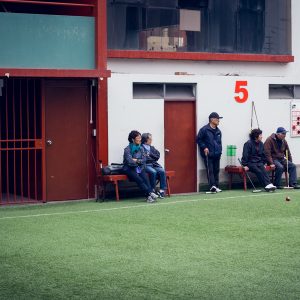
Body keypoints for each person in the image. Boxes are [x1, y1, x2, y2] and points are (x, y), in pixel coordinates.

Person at [122, 130, 159, 203]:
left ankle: (149, 195)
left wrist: (136, 160)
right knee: (139, 180)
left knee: (145, 178)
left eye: (140, 137)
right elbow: (129, 162)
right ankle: (150, 194)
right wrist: (138, 161)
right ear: (133, 139)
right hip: (129, 168)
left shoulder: (141, 148)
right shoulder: (127, 149)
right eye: (138, 138)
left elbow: (144, 159)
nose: (140, 139)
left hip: (139, 167)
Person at [196, 112, 223, 193]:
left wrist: (220, 151)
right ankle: (212, 186)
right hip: (208, 154)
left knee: (216, 170)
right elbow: (198, 140)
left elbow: (219, 142)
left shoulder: (218, 131)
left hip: (217, 154)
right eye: (217, 119)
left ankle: (217, 186)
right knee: (210, 170)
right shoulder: (204, 129)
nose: (219, 121)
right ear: (212, 119)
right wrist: (204, 147)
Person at [141, 133, 167, 198]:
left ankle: (162, 190)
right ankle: (152, 190)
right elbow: (144, 158)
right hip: (146, 165)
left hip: (154, 164)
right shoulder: (141, 147)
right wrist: (152, 157)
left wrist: (150, 155)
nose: (151, 140)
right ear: (145, 140)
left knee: (162, 171)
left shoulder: (152, 148)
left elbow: (157, 156)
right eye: (150, 139)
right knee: (153, 172)